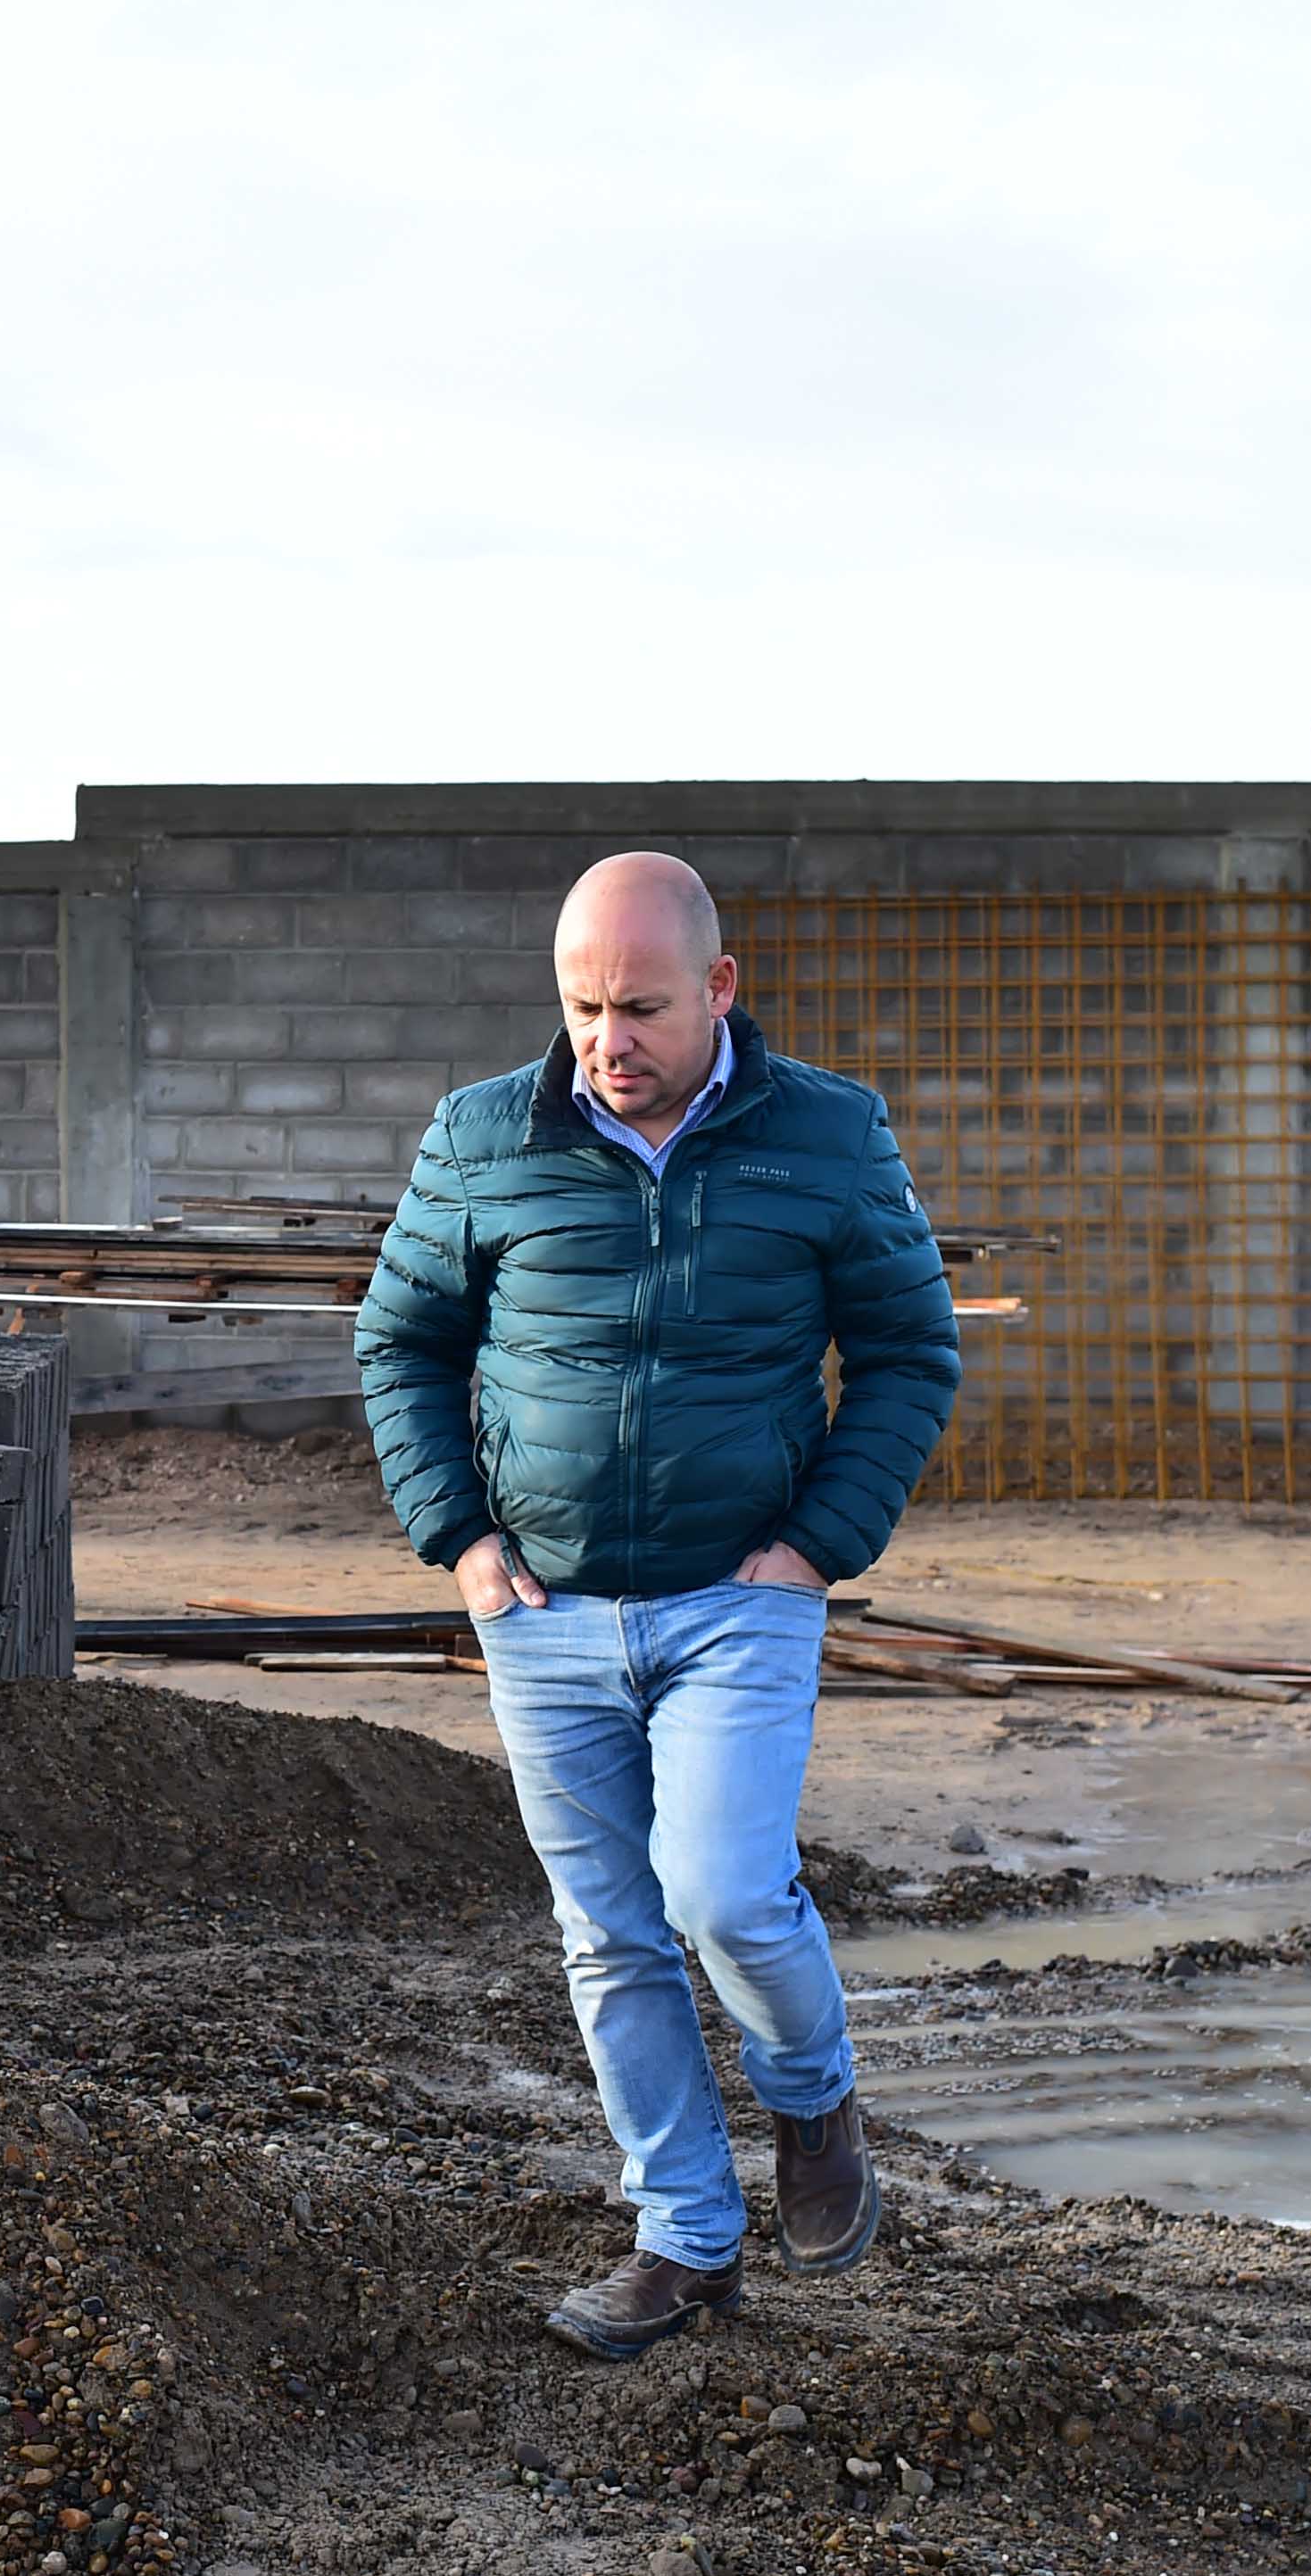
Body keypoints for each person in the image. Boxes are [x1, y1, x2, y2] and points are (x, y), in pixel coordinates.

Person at [356, 851, 960, 2359]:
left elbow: (906, 1351)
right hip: (541, 1612)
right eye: (579, 1010)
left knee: (719, 1893)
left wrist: (815, 1546)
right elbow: (402, 1342)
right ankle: (682, 2240)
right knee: (609, 1934)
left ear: (719, 992)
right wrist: (459, 1545)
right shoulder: (481, 1136)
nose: (605, 1043)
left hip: (738, 1596)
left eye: (636, 1008)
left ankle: (811, 2099)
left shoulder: (827, 1134)